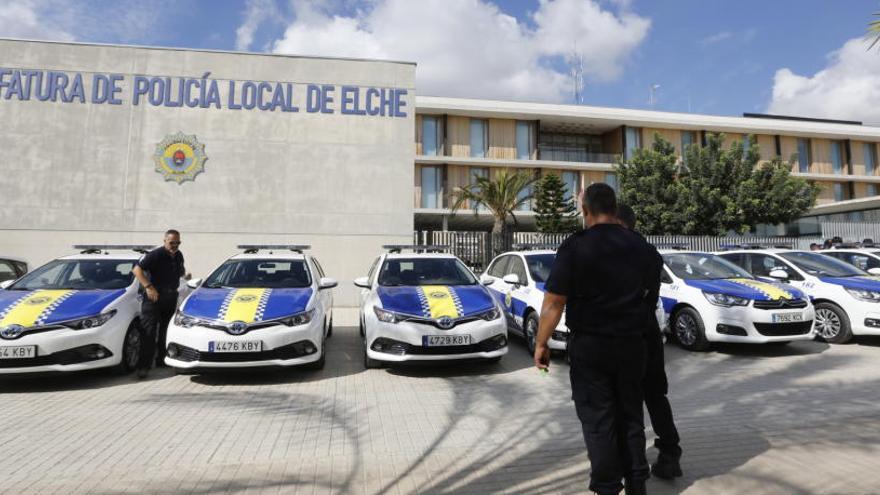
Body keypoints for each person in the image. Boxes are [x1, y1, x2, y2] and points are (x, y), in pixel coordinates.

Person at [534, 184, 662, 495]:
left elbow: (554, 302)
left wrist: (541, 343)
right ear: (615, 208)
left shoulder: (576, 246)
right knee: (631, 416)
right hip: (633, 345)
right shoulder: (643, 248)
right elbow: (650, 299)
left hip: (591, 347)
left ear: (585, 210)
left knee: (598, 419)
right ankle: (637, 484)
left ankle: (606, 487)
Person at [616, 204, 683, 480]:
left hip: (627, 337)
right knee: (656, 396)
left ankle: (634, 463)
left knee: (631, 400)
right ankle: (670, 453)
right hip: (649, 333)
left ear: (620, 224)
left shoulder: (618, 254)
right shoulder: (649, 252)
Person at [132, 230, 187, 379]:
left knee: (166, 331)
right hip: (154, 298)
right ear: (165, 241)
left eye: (178, 243)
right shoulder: (156, 254)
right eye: (172, 242)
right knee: (149, 332)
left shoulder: (178, 255)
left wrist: (184, 275)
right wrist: (149, 287)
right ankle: (143, 367)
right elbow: (137, 270)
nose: (175, 245)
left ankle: (162, 360)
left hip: (170, 297)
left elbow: (179, 270)